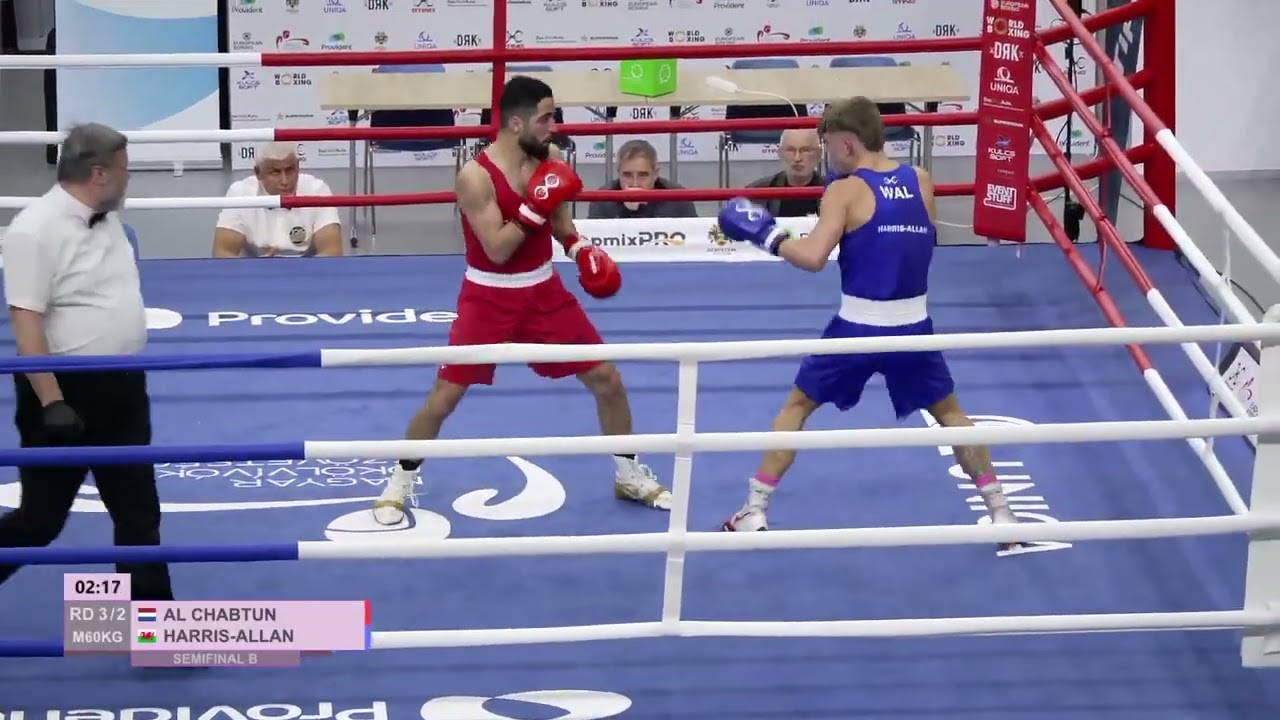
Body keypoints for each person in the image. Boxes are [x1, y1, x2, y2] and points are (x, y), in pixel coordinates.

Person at [714, 97, 1028, 555]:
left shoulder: (844, 191)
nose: (825, 156)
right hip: (915, 325)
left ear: (846, 143)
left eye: (826, 146)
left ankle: (754, 509)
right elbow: (917, 247)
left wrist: (768, 236)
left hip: (858, 326)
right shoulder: (920, 180)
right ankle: (1002, 513)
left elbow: (813, 258)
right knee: (951, 416)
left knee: (797, 407)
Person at [372, 76, 671, 525]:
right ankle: (399, 481)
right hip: (487, 295)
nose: (554, 125)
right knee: (445, 397)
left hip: (543, 289)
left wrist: (581, 250)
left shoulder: (548, 158)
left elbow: (562, 226)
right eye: (546, 117)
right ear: (516, 123)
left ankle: (627, 472)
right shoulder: (474, 177)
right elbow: (496, 248)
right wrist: (534, 205)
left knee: (607, 378)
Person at [0, 122, 176, 598]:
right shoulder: (33, 231)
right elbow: (25, 319)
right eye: (123, 170)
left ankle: (153, 629)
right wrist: (52, 401)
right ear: (98, 173)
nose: (129, 178)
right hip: (63, 393)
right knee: (40, 522)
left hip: (122, 385)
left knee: (138, 515)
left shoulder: (107, 214)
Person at [212, 142, 343, 257]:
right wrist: (258, 271)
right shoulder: (240, 193)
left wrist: (294, 270)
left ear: (298, 167)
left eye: (290, 170)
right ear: (258, 173)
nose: (285, 181)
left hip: (307, 274)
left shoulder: (317, 190)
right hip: (255, 274)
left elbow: (332, 251)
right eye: (275, 172)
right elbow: (222, 252)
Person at [586, 139, 698, 220]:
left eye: (642, 175)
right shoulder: (602, 200)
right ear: (618, 173)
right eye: (627, 175)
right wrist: (627, 212)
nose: (635, 183)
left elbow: (694, 241)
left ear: (655, 174)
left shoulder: (679, 198)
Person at [743, 129, 824, 217]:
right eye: (790, 150)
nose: (797, 158)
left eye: (805, 150)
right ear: (780, 153)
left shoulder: (834, 192)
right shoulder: (756, 193)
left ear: (819, 154)